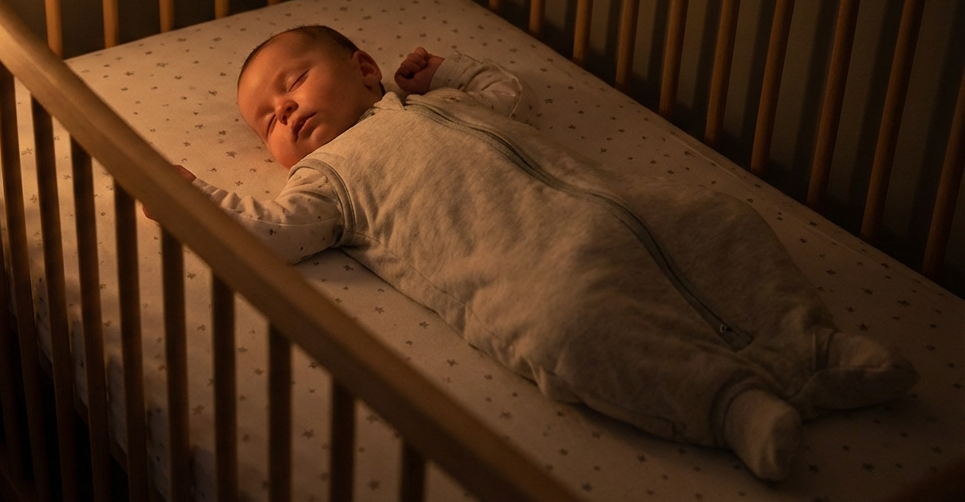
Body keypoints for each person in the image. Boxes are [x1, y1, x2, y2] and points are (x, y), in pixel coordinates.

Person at [172, 24, 916, 481]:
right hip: (536, 276)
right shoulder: (326, 182)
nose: (286, 110)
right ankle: (729, 404)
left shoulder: (440, 103)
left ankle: (809, 349)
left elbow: (514, 93)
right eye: (267, 120)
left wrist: (445, 72)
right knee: (576, 333)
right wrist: (187, 193)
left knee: (723, 224)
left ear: (365, 68)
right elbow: (265, 235)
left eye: (293, 81)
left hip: (622, 215)